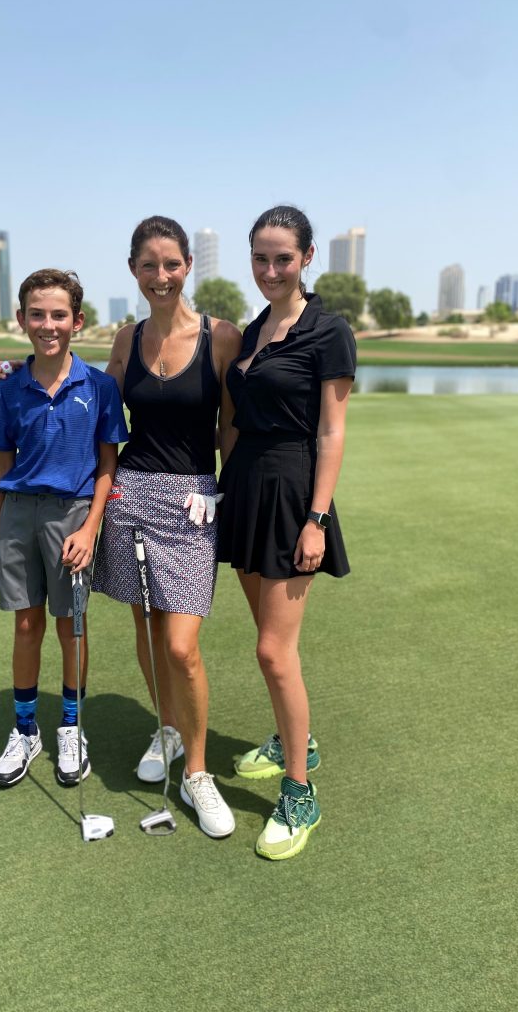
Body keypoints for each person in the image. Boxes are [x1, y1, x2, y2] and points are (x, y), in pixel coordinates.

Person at [91, 216, 243, 839]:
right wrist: (17, 376)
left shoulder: (221, 336)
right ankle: (168, 731)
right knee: (149, 631)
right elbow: (98, 409)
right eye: (149, 265)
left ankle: (198, 774)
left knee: (181, 646)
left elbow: (232, 425)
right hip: (131, 496)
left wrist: (224, 489)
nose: (161, 275)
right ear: (134, 270)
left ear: (188, 267)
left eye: (172, 264)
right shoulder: (126, 338)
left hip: (191, 502)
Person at [216, 205, 356, 860]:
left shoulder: (328, 331)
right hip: (245, 489)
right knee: (270, 645)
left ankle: (300, 791)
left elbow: (331, 431)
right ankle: (294, 739)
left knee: (274, 652)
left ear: (305, 258)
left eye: (282, 258)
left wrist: (318, 518)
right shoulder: (251, 330)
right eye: (259, 258)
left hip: (292, 494)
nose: (270, 270)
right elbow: (235, 419)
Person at [0, 268, 128, 790]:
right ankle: (25, 730)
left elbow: (108, 465)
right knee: (26, 624)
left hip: (73, 515)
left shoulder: (101, 387)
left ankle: (71, 725)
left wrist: (90, 529)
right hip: (21, 512)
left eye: (59, 315)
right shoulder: (8, 389)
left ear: (78, 321)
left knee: (72, 626)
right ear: (22, 320)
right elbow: (1, 469)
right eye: (37, 314)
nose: (48, 324)